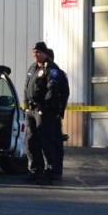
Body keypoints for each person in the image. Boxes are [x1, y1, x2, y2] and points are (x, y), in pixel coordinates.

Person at [23, 41, 61, 184]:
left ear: (45, 53)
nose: (35, 54)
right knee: (31, 141)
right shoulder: (32, 68)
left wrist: (43, 107)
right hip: (31, 110)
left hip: (43, 111)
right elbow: (26, 88)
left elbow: (53, 89)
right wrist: (26, 105)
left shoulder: (51, 69)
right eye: (34, 52)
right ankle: (35, 170)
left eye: (38, 52)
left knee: (46, 141)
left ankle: (50, 172)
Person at [45, 48, 70, 180]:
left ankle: (55, 170)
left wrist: (58, 110)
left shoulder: (54, 72)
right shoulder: (52, 71)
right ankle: (53, 169)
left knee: (53, 142)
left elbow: (62, 93)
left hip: (52, 112)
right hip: (52, 112)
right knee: (52, 141)